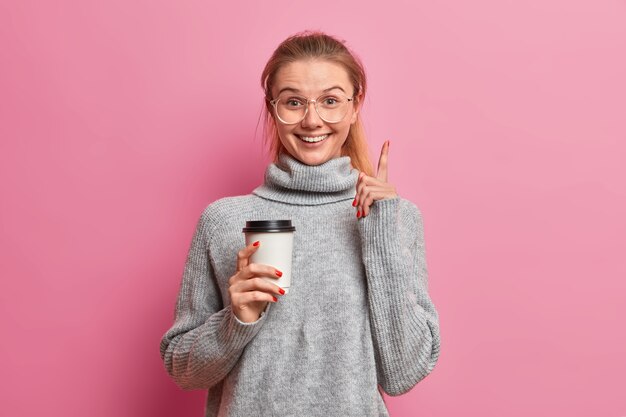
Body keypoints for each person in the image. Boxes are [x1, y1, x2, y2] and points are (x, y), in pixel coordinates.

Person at [160, 30, 441, 416]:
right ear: (272, 107)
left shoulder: (396, 219)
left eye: (330, 101)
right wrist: (237, 320)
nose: (312, 120)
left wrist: (380, 239)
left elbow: (402, 373)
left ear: (354, 106)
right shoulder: (224, 220)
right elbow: (183, 370)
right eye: (294, 102)